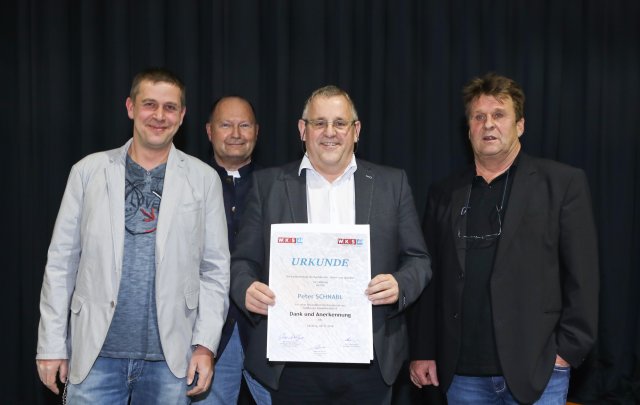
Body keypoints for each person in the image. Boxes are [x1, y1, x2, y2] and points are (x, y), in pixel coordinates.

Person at [35, 68, 230, 404]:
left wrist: (205, 345)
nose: (159, 116)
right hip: (95, 356)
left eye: (170, 107)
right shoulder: (87, 172)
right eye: (149, 104)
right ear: (130, 107)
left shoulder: (204, 179)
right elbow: (61, 263)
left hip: (171, 361)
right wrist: (52, 344)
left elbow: (214, 270)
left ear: (182, 115)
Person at [230, 85, 431, 404]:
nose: (330, 132)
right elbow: (242, 262)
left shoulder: (392, 184)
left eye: (340, 123)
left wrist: (399, 285)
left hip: (370, 360)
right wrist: (245, 289)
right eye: (319, 123)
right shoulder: (268, 186)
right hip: (291, 362)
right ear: (302, 129)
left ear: (356, 131)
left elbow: (418, 260)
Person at [409, 73, 599, 404]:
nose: (488, 124)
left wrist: (567, 351)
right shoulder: (444, 192)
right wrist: (423, 350)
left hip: (538, 372)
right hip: (462, 375)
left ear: (520, 125)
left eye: (499, 115)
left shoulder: (562, 184)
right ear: (469, 129)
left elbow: (583, 277)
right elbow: (429, 276)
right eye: (478, 117)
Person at [194, 96, 271, 404]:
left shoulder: (279, 186)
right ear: (209, 131)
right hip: (205, 335)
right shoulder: (188, 183)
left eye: (244, 125)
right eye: (226, 125)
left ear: (257, 132)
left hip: (266, 331)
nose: (236, 134)